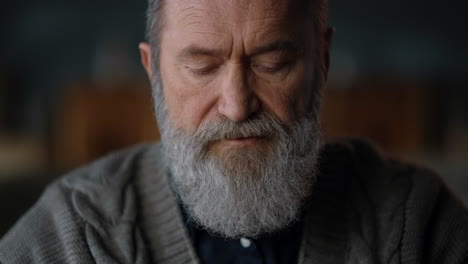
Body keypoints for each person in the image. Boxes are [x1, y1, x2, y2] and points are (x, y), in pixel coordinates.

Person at [1, 0, 467, 263]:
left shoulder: (413, 226)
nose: (237, 105)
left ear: (322, 61)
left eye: (273, 64)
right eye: (202, 67)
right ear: (153, 70)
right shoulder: (74, 235)